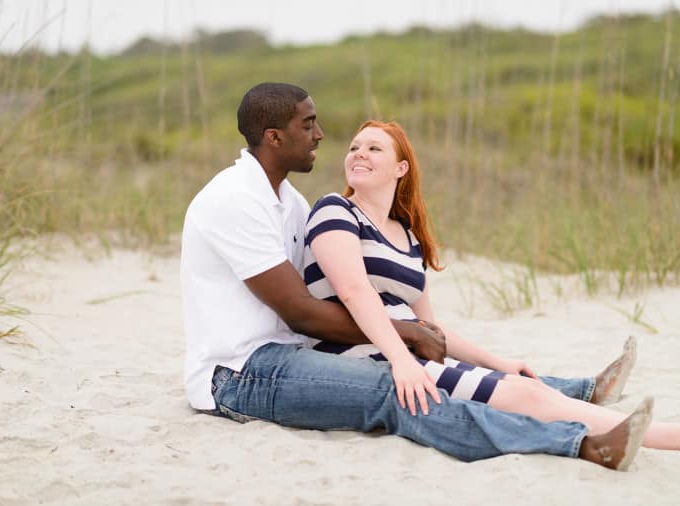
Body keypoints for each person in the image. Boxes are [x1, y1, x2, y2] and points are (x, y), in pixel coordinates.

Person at [183, 82, 647, 470]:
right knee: (402, 392)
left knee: (437, 375)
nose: (320, 134)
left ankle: (575, 393)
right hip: (241, 374)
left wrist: (409, 334)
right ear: (274, 137)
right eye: (307, 125)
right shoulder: (233, 199)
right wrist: (405, 335)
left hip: (292, 356)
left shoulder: (289, 203)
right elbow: (301, 311)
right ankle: (581, 444)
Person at [302, 119, 680, 451]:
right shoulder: (334, 211)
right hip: (358, 356)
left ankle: (625, 423)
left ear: (401, 168)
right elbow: (354, 293)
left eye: (374, 149)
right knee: (523, 396)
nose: (359, 153)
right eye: (356, 146)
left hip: (404, 354)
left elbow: (431, 330)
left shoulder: (409, 237)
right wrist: (402, 362)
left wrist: (500, 361)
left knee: (526, 387)